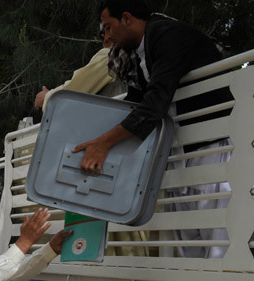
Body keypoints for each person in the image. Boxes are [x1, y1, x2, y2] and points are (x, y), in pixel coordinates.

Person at [73, 0, 225, 174]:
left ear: (126, 18)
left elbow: (155, 102)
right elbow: (135, 102)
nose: (107, 36)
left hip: (209, 143)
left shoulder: (167, 35)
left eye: (108, 27)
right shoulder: (139, 51)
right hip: (182, 146)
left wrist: (104, 143)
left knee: (209, 198)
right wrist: (96, 138)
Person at [34, 27, 122, 111]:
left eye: (108, 27)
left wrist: (48, 97)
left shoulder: (110, 55)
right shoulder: (127, 55)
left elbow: (79, 86)